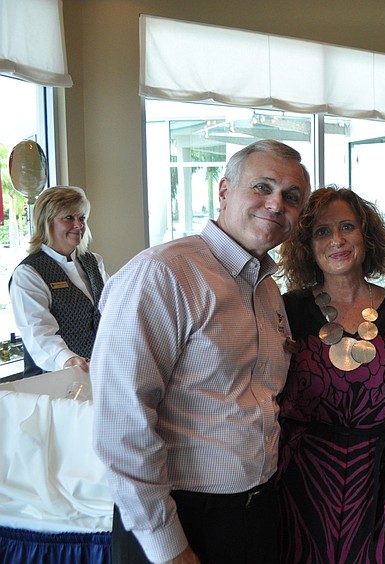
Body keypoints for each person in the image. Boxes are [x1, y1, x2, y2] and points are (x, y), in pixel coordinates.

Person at [90, 140, 310, 564]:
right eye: (262, 187)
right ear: (224, 191)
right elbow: (122, 425)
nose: (276, 204)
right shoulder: (162, 274)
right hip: (180, 518)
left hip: (251, 513)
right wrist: (167, 546)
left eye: (291, 196)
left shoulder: (267, 289)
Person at [275, 187, 385, 563]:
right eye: (322, 232)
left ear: (368, 236)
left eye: (347, 227)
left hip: (384, 485)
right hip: (305, 485)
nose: (338, 240)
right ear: (306, 245)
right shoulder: (289, 309)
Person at [9, 185, 107, 377]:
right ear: (46, 222)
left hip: (94, 373)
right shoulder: (29, 273)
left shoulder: (93, 262)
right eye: (69, 218)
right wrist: (67, 359)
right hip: (52, 379)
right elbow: (38, 332)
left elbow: (111, 310)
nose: (78, 225)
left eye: (82, 218)